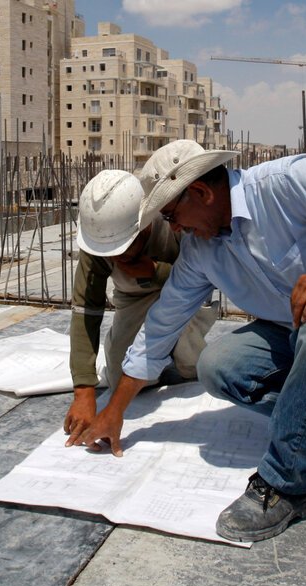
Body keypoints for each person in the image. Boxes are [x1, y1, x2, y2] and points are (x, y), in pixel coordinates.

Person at [64, 141, 306, 543]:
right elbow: (159, 329)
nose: (176, 229)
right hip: (302, 336)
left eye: (172, 216)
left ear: (201, 193)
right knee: (217, 367)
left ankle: (290, 483)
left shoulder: (285, 184)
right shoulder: (202, 252)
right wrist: (114, 409)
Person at [64, 170, 216, 436]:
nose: (117, 255)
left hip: (184, 296)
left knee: (194, 367)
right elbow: (85, 310)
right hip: (132, 299)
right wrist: (84, 391)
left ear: (144, 224)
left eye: (123, 245)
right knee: (119, 377)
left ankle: (181, 349)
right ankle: (142, 347)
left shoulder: (173, 220)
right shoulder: (99, 236)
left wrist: (153, 271)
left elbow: (206, 277)